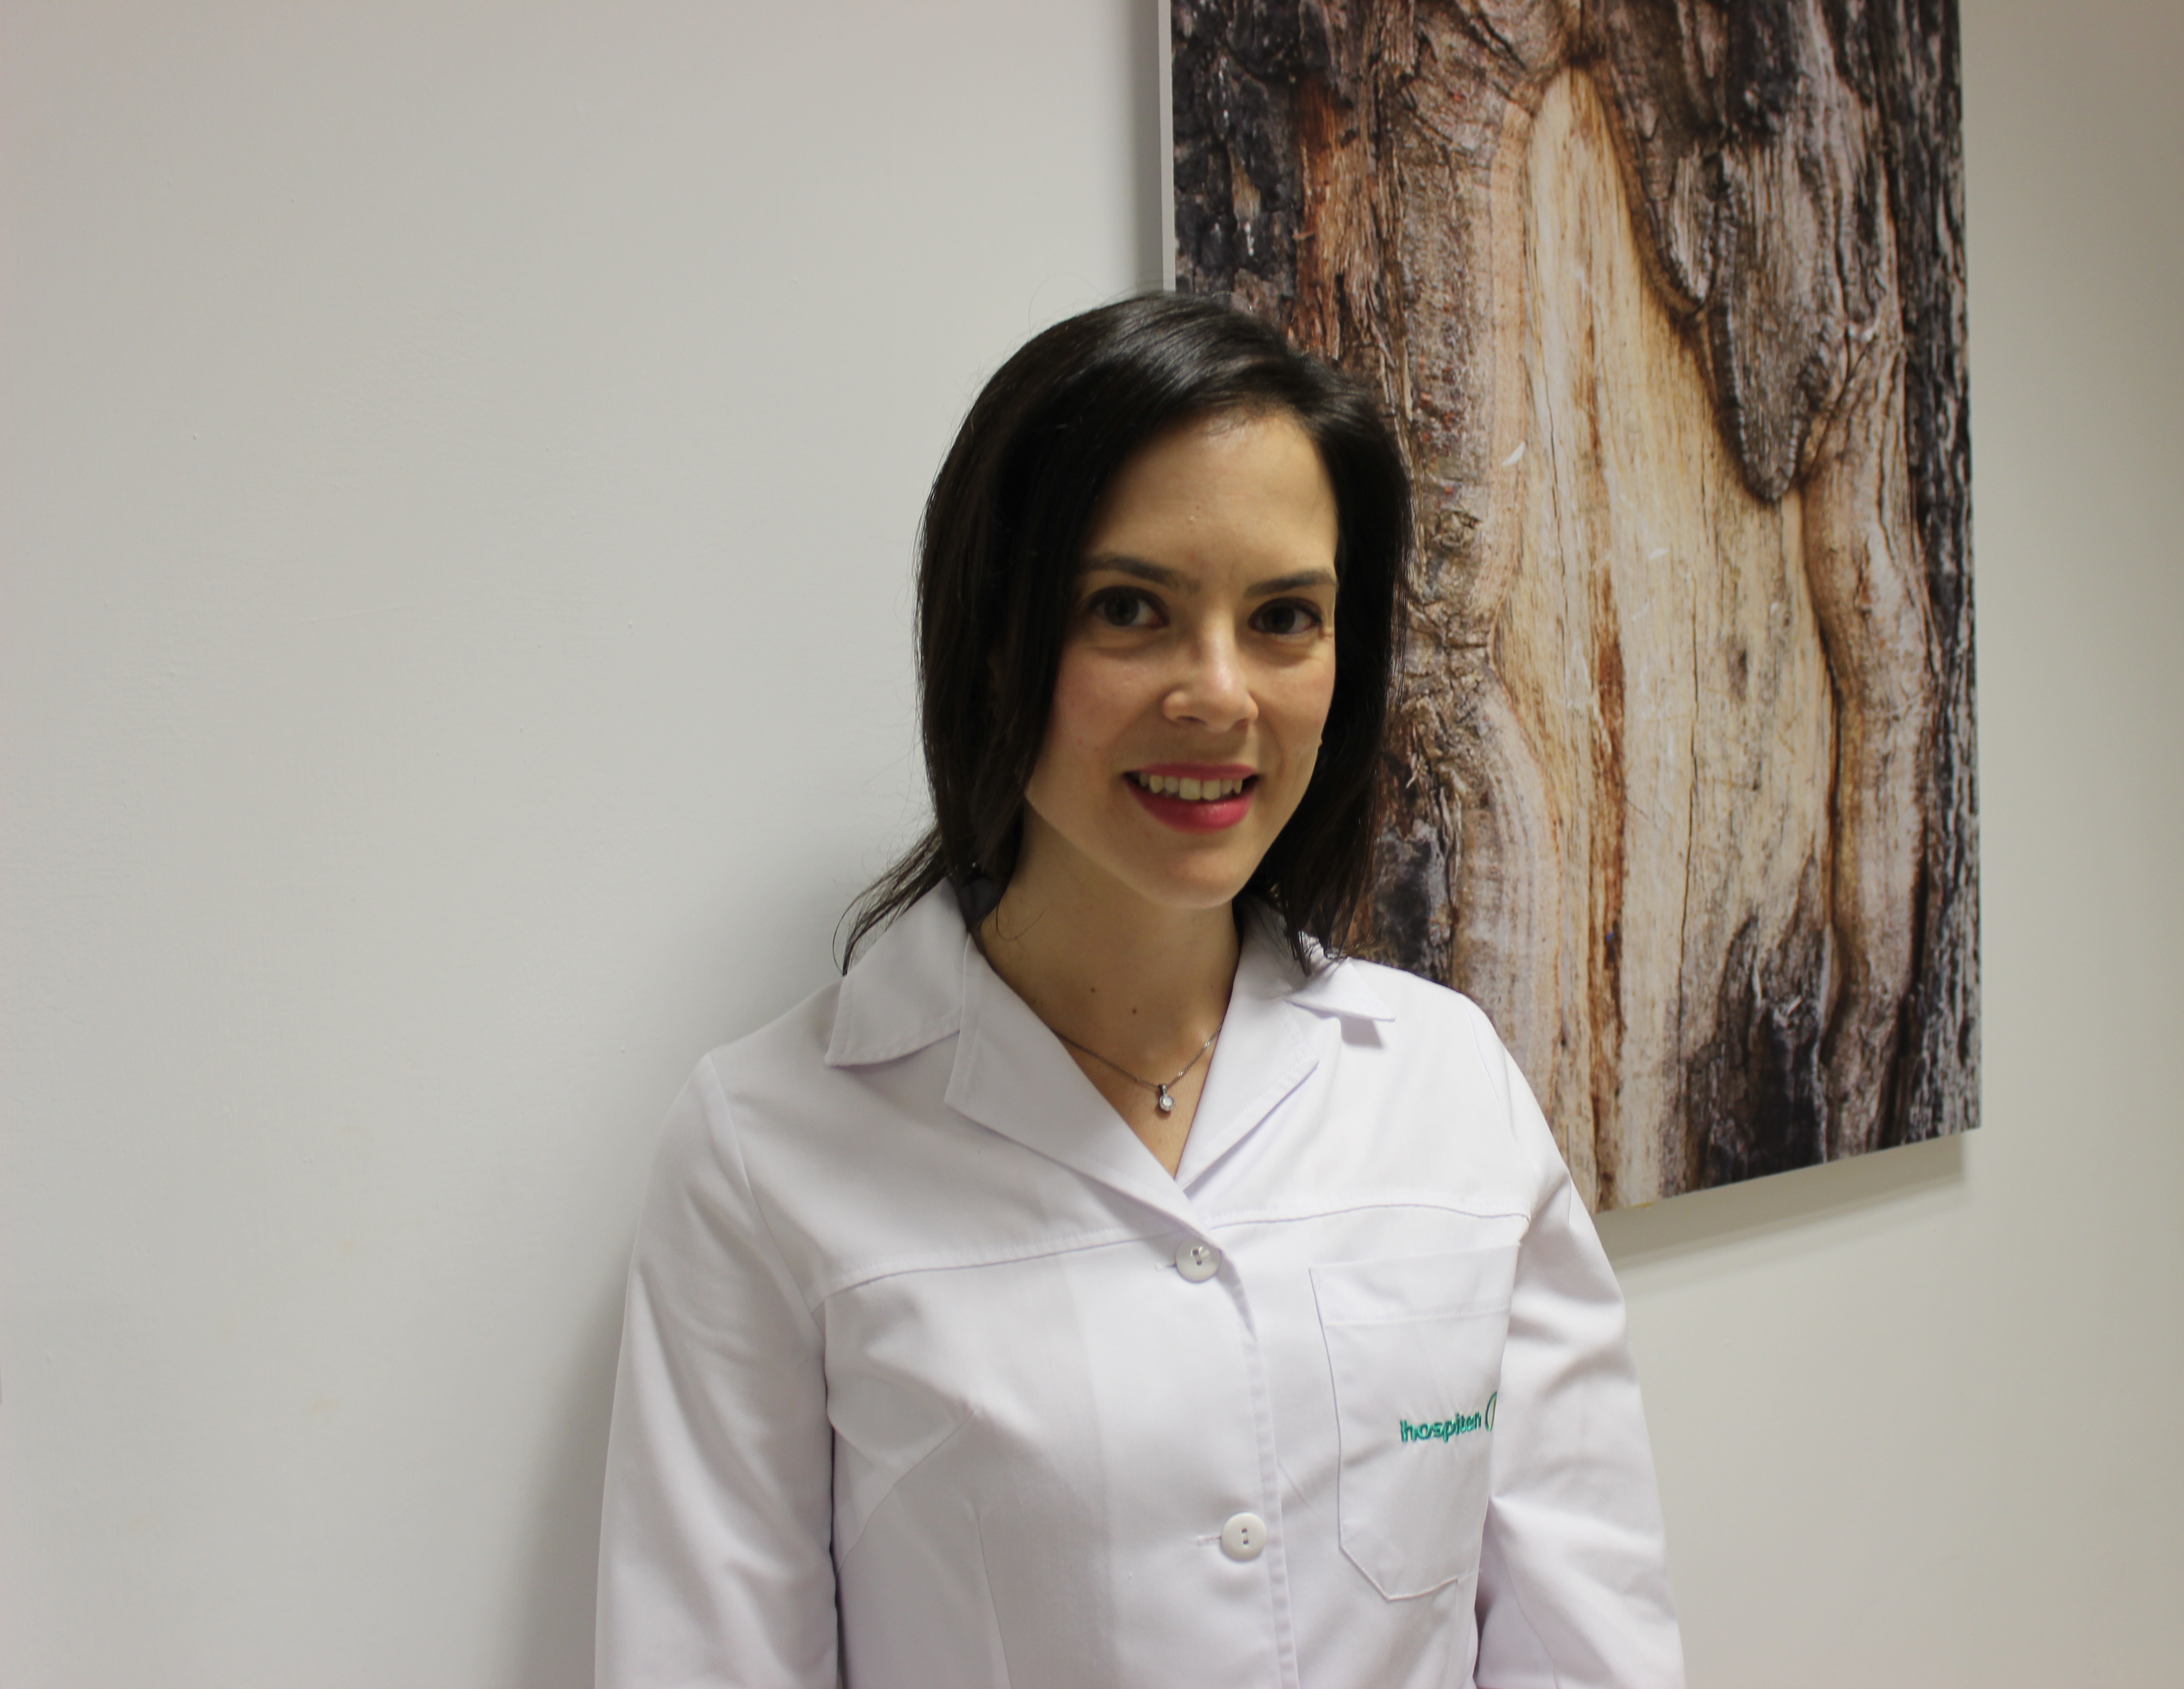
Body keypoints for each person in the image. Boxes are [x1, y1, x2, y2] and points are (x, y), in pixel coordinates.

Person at [594, 294, 1684, 1688]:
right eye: (1129, 610)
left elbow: (1591, 1645)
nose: (1219, 696)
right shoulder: (767, 1149)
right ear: (999, 639)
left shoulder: (1449, 1087)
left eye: (1283, 618)